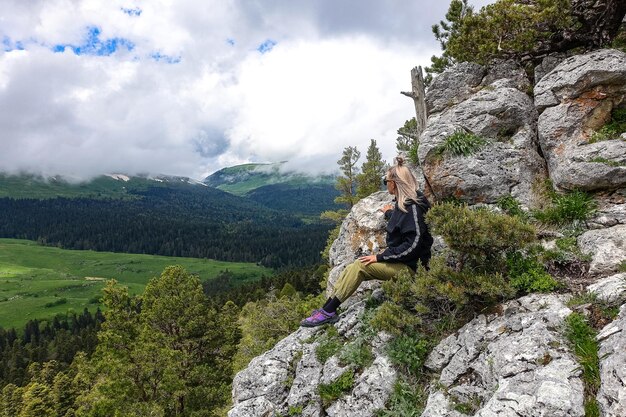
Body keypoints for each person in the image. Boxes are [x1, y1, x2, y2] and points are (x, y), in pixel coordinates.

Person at [301, 157, 433, 327]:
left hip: (414, 270)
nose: (385, 184)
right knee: (352, 267)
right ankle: (327, 308)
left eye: (385, 180)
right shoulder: (408, 203)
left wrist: (380, 257)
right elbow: (405, 224)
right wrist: (389, 214)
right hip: (406, 264)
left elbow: (413, 246)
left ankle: (328, 312)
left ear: (394, 183)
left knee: (360, 266)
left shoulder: (412, 208)